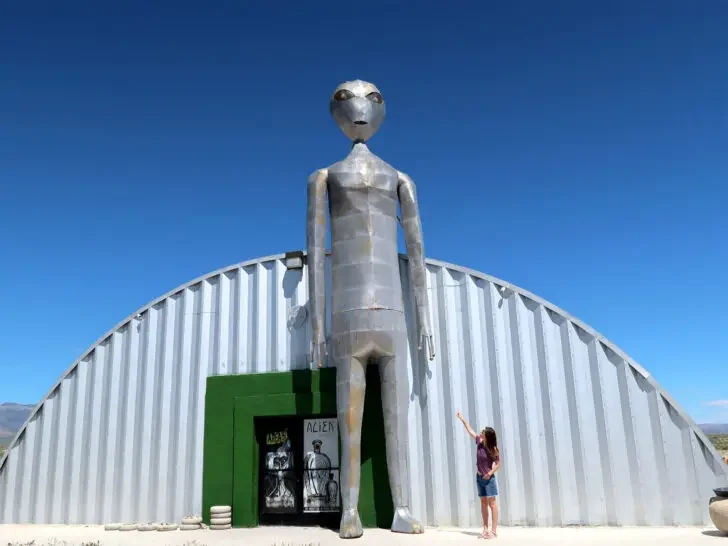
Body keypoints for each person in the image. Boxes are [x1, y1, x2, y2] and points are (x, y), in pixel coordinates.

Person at [456, 410, 501, 539]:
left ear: (487, 436)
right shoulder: (479, 442)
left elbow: (498, 464)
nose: (480, 433)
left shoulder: (494, 449)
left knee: (492, 504)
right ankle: (485, 528)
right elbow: (470, 430)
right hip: (479, 478)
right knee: (483, 503)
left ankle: (493, 531)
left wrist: (490, 473)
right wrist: (462, 419)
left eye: (483, 432)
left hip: (489, 479)